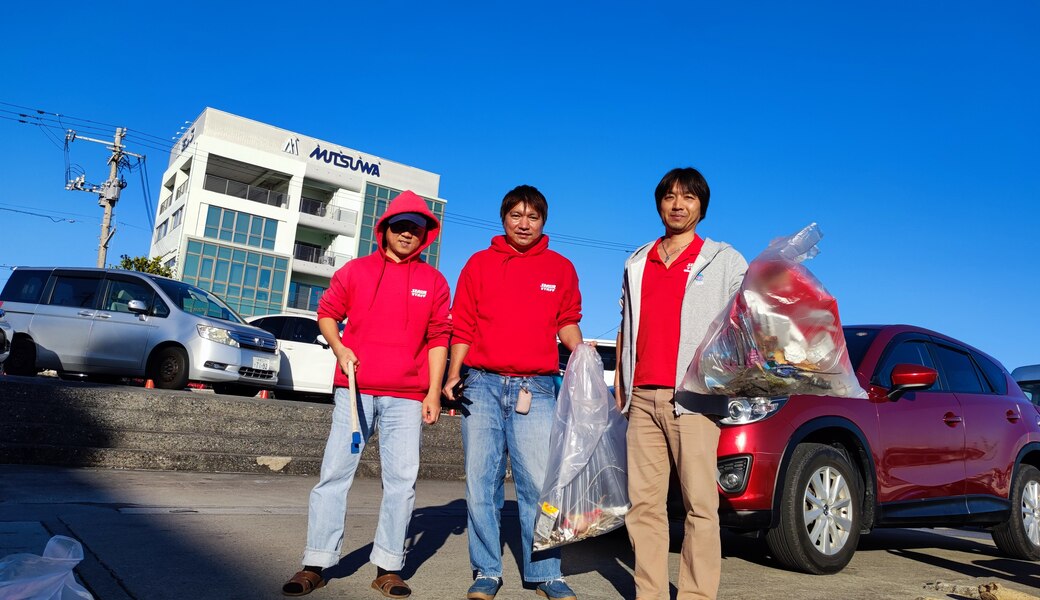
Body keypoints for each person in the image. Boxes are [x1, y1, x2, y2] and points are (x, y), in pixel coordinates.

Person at [281, 190, 451, 598]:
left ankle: (389, 567)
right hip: (355, 392)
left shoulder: (433, 280)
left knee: (401, 482)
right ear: (385, 228)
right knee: (334, 475)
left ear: (426, 234)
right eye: (401, 225)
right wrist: (340, 348)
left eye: (417, 227)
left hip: (408, 397)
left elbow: (439, 338)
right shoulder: (355, 271)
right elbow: (326, 313)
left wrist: (433, 393)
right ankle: (316, 563)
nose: (408, 233)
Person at [442, 185, 584, 600]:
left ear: (544, 221)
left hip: (535, 388)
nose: (524, 224)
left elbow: (566, 321)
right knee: (481, 483)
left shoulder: (560, 268)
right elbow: (463, 325)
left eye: (533, 217)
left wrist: (584, 354)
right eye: (516, 215)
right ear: (503, 218)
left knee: (538, 487)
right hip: (481, 386)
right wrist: (454, 374)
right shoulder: (479, 264)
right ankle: (486, 570)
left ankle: (545, 572)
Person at [615, 168, 748, 600]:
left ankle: (696, 595)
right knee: (645, 509)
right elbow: (624, 325)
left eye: (688, 197)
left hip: (694, 399)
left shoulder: (724, 259)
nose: (678, 204)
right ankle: (649, 594)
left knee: (700, 507)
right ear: (659, 204)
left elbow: (747, 323)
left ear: (701, 206)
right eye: (670, 196)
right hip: (642, 397)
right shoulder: (638, 260)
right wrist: (622, 381)